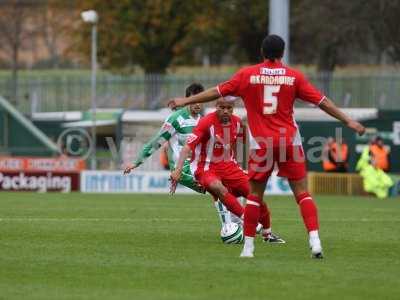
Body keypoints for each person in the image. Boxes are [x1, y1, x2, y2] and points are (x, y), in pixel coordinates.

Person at [168, 34, 366, 258]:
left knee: (254, 196)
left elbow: (218, 91)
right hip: (290, 141)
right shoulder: (294, 77)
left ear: (262, 52)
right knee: (302, 193)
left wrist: (186, 101)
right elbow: (322, 102)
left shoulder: (247, 75)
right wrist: (348, 121)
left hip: (262, 144)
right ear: (283, 53)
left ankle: (248, 248)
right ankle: (315, 241)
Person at [124, 83, 240, 234]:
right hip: (184, 169)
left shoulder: (204, 120)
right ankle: (230, 226)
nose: (198, 104)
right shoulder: (176, 119)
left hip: (200, 166)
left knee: (228, 187)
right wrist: (136, 162)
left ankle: (235, 223)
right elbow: (158, 141)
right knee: (218, 187)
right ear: (187, 100)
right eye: (194, 100)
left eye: (200, 101)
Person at [170, 98, 284, 244]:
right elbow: (187, 147)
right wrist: (178, 170)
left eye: (228, 108)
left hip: (230, 167)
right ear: (215, 106)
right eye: (221, 107)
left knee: (256, 196)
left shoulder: (237, 123)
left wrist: (243, 164)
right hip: (206, 168)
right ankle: (249, 222)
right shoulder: (206, 122)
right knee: (218, 188)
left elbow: (241, 144)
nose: (225, 111)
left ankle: (267, 234)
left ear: (233, 108)